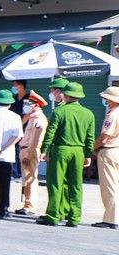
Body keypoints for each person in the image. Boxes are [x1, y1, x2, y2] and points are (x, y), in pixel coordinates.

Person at [38, 81, 95, 228]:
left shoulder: (59, 111)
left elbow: (50, 132)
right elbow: (90, 137)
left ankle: (53, 216)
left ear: (67, 95)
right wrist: (88, 154)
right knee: (75, 185)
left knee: (56, 183)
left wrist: (44, 150)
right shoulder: (89, 114)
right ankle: (74, 218)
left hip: (61, 150)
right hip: (79, 151)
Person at [0, 89, 23, 219]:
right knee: (4, 185)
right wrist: (3, 148)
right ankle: (3, 210)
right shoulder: (15, 117)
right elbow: (18, 136)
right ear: (9, 104)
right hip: (7, 155)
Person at [16, 92, 49, 216]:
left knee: (30, 179)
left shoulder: (39, 119)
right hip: (25, 149)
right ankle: (27, 203)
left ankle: (30, 206)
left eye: (28, 103)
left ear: (36, 104)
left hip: (30, 151)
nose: (26, 105)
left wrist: (29, 155)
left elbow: (36, 139)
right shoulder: (32, 117)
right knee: (27, 178)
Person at [91, 86, 119, 229]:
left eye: (107, 98)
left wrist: (92, 148)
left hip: (109, 151)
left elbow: (103, 138)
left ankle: (111, 219)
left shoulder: (112, 115)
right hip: (117, 151)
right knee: (116, 186)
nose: (105, 100)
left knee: (110, 187)